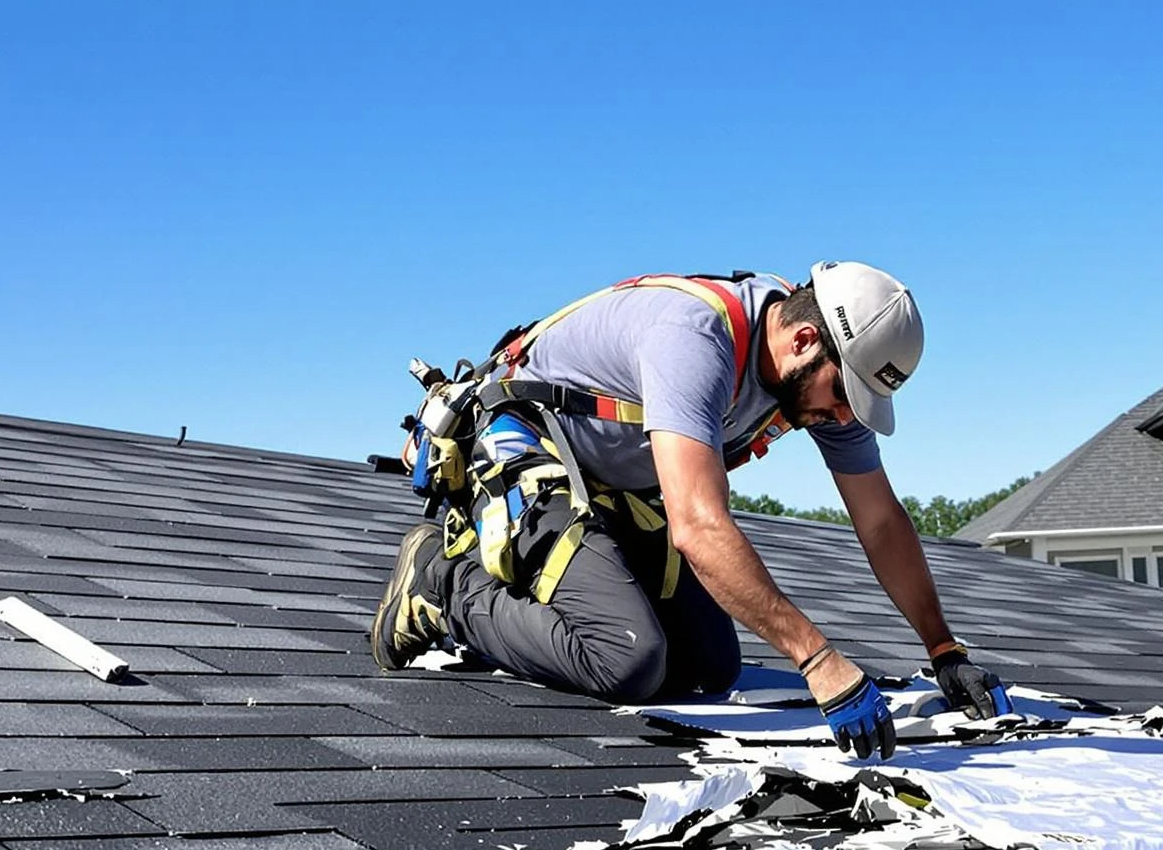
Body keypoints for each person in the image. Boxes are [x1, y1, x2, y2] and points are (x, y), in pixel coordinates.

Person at [371, 263, 1013, 758]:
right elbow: (700, 525)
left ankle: (549, 591)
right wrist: (819, 661)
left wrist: (944, 649)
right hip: (524, 453)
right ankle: (442, 581)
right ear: (805, 340)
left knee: (712, 667)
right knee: (627, 658)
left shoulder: (813, 377)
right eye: (844, 396)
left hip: (610, 487)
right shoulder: (696, 338)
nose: (845, 417)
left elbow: (880, 520)